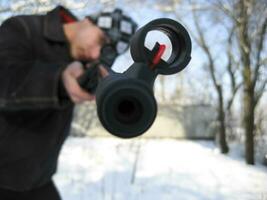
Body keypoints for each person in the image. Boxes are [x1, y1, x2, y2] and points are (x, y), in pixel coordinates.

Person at [0, 5, 137, 200]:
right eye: (101, 41)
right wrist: (58, 81)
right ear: (90, 21)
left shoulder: (83, 61)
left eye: (105, 53)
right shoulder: (24, 28)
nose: (94, 54)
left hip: (39, 180)